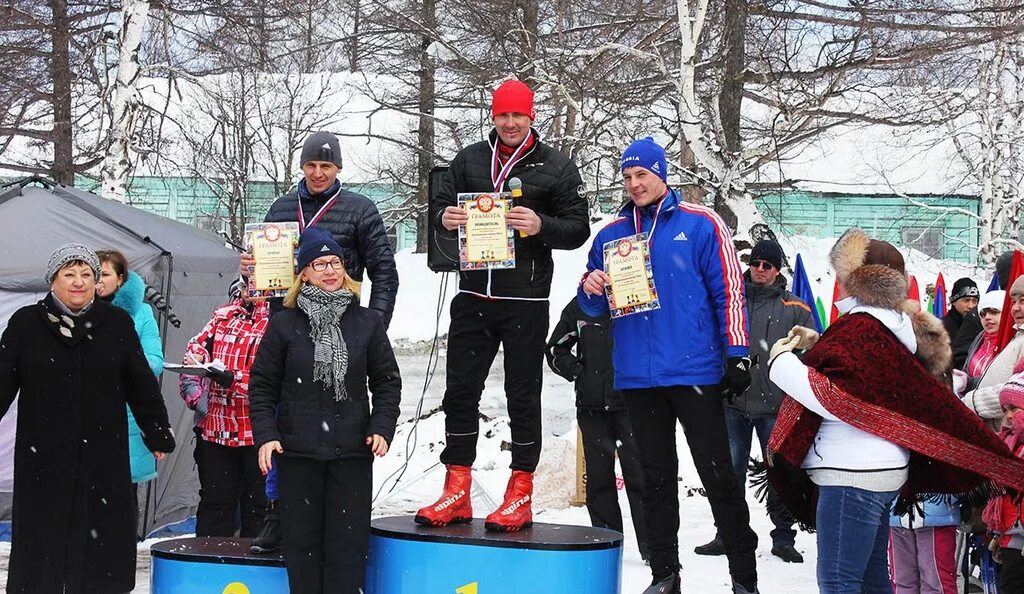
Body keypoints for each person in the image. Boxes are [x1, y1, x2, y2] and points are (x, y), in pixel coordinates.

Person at [766, 228, 1024, 594]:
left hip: (850, 471)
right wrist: (820, 345)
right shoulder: (893, 326)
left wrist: (782, 363)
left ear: (858, 278)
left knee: (840, 581)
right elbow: (866, 380)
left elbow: (841, 399)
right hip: (880, 470)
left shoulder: (861, 328)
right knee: (873, 579)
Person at [579, 137, 757, 594]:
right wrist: (592, 286)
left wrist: (737, 353)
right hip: (638, 378)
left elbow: (729, 293)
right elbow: (593, 309)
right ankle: (665, 574)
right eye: (627, 177)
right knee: (653, 480)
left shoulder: (700, 224)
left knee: (718, 475)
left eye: (642, 175)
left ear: (662, 174)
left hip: (695, 372)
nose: (634, 184)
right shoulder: (611, 235)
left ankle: (743, 575)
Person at [416, 79, 589, 532]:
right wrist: (444, 216)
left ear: (532, 117)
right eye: (502, 115)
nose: (510, 123)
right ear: (493, 117)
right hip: (473, 295)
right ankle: (456, 489)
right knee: (460, 392)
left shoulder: (555, 166)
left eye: (519, 115)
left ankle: (520, 493)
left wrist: (540, 224)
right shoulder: (470, 158)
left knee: (522, 395)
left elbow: (577, 228)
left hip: (525, 299)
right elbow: (437, 203)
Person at [245, 130, 400, 553]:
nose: (318, 173)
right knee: (284, 422)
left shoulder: (359, 209)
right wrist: (250, 271)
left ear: (338, 170)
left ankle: (338, 522)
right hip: (289, 329)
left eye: (326, 166)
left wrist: (373, 331)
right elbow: (269, 280)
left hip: (344, 331)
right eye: (311, 165)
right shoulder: (280, 208)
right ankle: (278, 514)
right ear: (302, 166)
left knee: (339, 428)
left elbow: (385, 272)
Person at [0, 244, 175, 594]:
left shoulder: (116, 324)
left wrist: (156, 431)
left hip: (102, 454)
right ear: (53, 281)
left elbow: (140, 384)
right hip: (43, 456)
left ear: (97, 282)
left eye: (87, 275)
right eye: (69, 274)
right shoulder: (25, 324)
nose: (78, 282)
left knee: (100, 543)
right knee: (42, 543)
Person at [249, 227, 401, 594]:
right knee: (302, 549)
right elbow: (262, 386)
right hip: (297, 454)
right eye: (320, 264)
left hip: (351, 453)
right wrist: (267, 435)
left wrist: (381, 426)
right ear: (303, 273)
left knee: (346, 552)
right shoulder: (284, 323)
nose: (330, 270)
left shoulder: (366, 323)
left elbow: (387, 382)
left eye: (335, 262)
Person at [694, 239, 812, 564]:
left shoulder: (798, 309)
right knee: (729, 473)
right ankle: (728, 533)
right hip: (732, 402)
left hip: (777, 406)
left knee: (781, 473)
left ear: (778, 269)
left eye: (767, 265)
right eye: (756, 263)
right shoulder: (730, 301)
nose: (760, 270)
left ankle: (784, 537)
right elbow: (708, 340)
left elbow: (811, 356)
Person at [545, 297, 648, 560]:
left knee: (642, 478)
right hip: (592, 408)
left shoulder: (638, 294)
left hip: (632, 406)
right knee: (599, 482)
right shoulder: (581, 305)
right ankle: (607, 545)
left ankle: (654, 549)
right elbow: (556, 348)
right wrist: (578, 372)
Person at [179, 288, 270, 537]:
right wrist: (195, 392)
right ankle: (210, 569)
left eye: (256, 283)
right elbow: (194, 351)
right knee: (215, 504)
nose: (250, 289)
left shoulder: (280, 319)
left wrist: (234, 379)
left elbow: (275, 376)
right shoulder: (223, 315)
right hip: (215, 430)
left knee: (260, 507)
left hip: (259, 434)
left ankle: (257, 571)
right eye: (245, 282)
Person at [95, 250, 164, 501]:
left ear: (121, 278)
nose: (97, 280)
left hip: (127, 413)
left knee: (122, 496)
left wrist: (119, 365)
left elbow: (155, 362)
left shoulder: (141, 313)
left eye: (104, 274)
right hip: (87, 413)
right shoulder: (78, 311)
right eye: (93, 274)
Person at [962, 277, 1024, 432]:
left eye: (1023, 301)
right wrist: (966, 381)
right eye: (1013, 302)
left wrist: (971, 402)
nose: (1016, 308)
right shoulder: (1019, 336)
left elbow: (1017, 391)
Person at [982, 369, 1024, 593]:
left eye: (1014, 409)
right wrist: (998, 534)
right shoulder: (1009, 444)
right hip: (1012, 535)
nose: (1008, 416)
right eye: (1005, 410)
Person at [953, 252, 1013, 368]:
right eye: (984, 314)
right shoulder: (977, 315)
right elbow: (961, 356)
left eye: (994, 312)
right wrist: (970, 378)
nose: (988, 317)